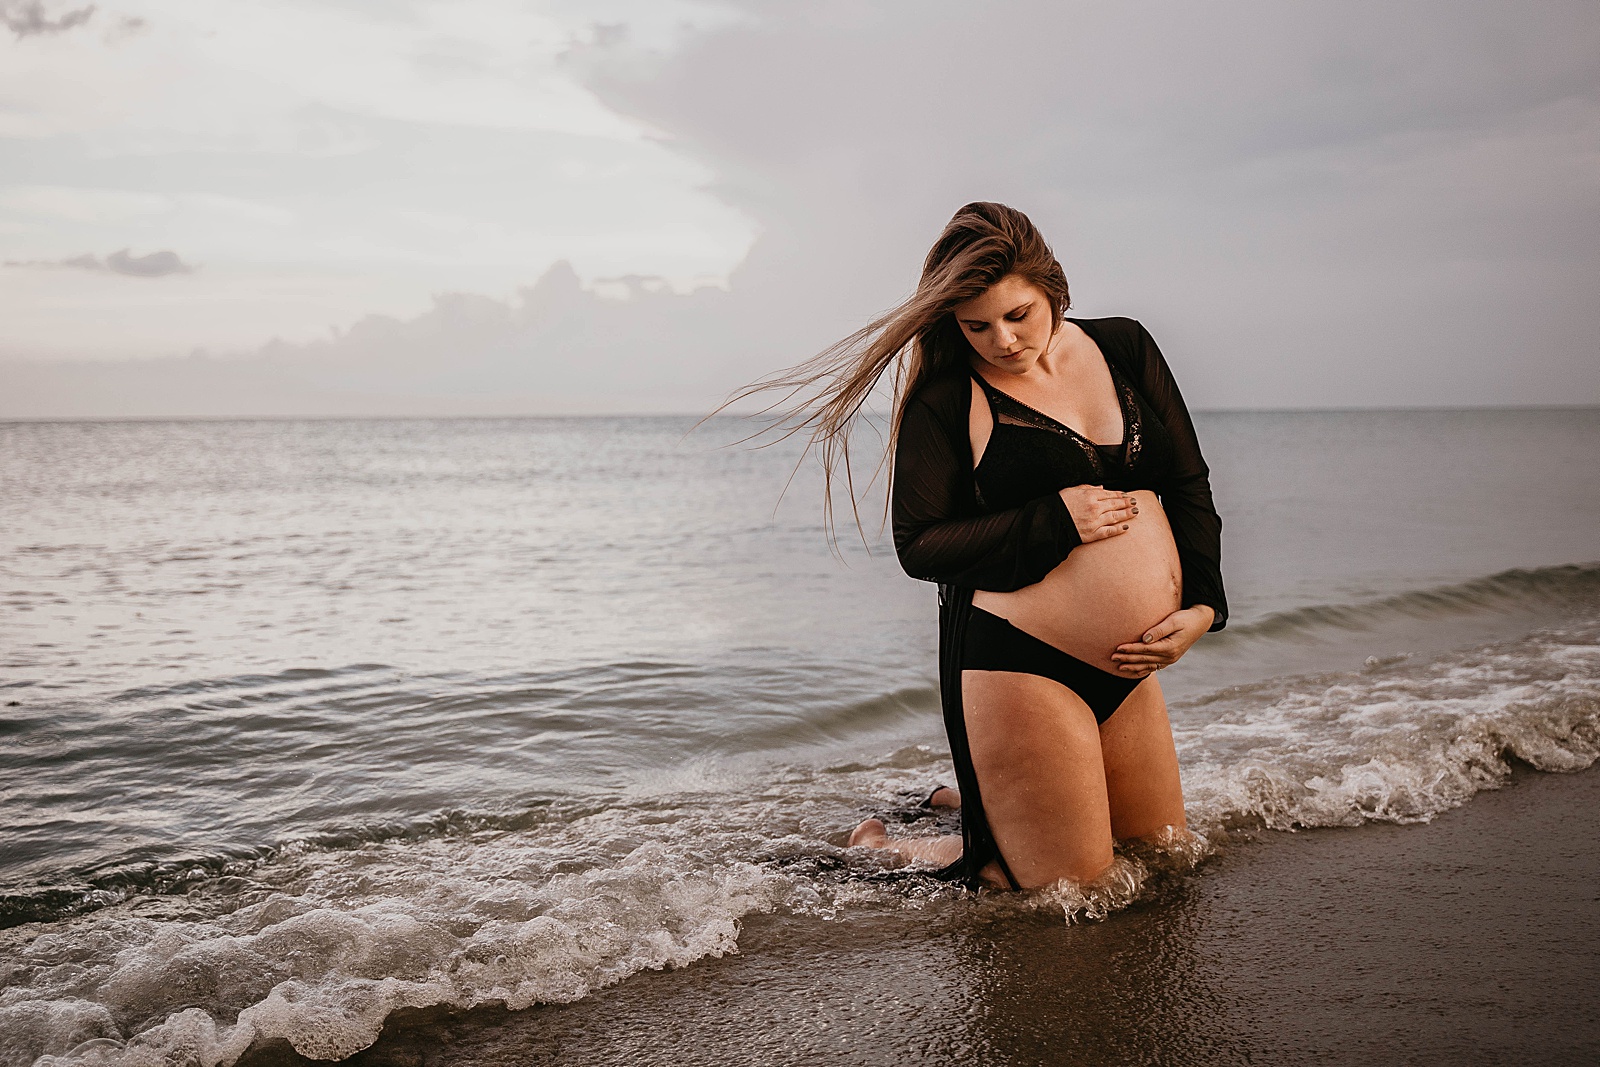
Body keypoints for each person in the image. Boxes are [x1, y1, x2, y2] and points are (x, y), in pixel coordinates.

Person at [733, 202, 1226, 890]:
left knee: (1168, 859)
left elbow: (1185, 479)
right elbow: (920, 544)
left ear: (1052, 289)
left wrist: (1205, 604)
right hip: (1021, 668)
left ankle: (969, 801)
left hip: (1127, 668)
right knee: (1060, 894)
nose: (1001, 339)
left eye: (1018, 314)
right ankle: (881, 849)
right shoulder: (947, 397)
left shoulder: (1125, 346)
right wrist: (1054, 518)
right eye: (976, 325)